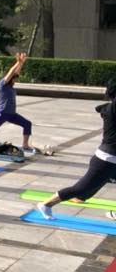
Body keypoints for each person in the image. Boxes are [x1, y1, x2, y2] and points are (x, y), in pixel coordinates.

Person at [36, 79, 116, 221]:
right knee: (79, 189)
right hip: (105, 161)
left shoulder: (109, 109)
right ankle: (46, 204)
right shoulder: (112, 110)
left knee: (84, 190)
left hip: (110, 160)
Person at [0, 52, 33, 152]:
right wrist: (17, 62)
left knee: (27, 124)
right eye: (13, 78)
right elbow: (11, 72)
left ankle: (25, 145)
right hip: (2, 113)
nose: (15, 80)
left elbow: (16, 72)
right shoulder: (3, 84)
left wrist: (21, 62)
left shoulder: (10, 86)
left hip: (11, 114)